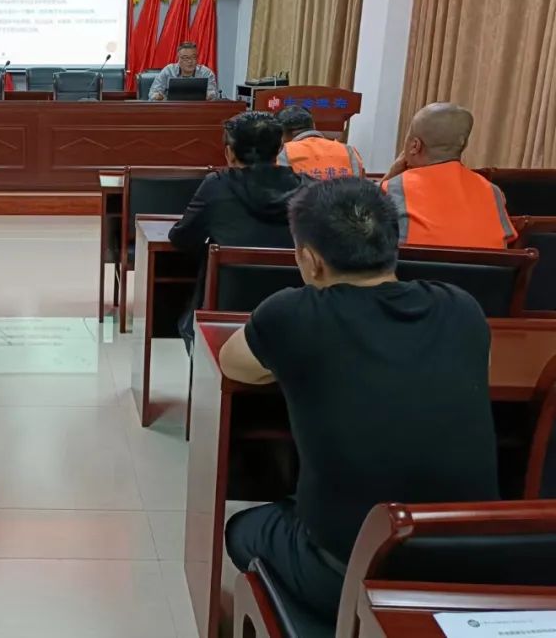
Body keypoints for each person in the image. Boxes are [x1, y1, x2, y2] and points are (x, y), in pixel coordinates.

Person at [219, 178, 499, 621]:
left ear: (311, 261)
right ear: (393, 243)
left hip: (349, 574)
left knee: (241, 530)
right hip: (472, 565)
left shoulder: (293, 314)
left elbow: (233, 363)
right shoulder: (462, 307)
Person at [169, 112, 306, 346]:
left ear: (229, 153)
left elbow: (181, 238)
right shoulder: (309, 189)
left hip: (226, 316)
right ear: (280, 149)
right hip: (296, 315)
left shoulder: (216, 186)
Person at [381, 103, 514, 248]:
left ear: (415, 145)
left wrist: (389, 177)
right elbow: (504, 245)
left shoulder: (395, 188)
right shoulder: (493, 192)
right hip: (487, 264)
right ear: (464, 145)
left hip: (413, 264)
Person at [276, 105, 364, 179]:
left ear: (282, 133)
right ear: (314, 125)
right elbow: (359, 184)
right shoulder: (348, 150)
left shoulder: (283, 153)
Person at [148, 42, 220, 101]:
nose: (190, 61)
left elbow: (213, 94)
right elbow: (152, 93)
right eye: (186, 58)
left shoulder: (206, 73)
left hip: (198, 110)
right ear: (178, 58)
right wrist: (158, 96)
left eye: (193, 57)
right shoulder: (168, 71)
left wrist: (210, 95)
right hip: (172, 110)